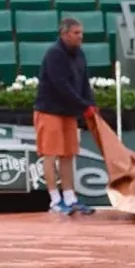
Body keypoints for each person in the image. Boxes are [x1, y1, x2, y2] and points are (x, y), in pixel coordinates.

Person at [33, 17, 97, 216]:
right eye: (76, 33)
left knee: (68, 155)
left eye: (81, 33)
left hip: (68, 112)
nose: (81, 37)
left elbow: (84, 83)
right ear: (64, 33)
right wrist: (83, 105)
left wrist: (91, 104)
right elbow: (62, 86)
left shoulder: (80, 54)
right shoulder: (54, 54)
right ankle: (55, 201)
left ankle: (70, 198)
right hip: (49, 111)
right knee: (50, 155)